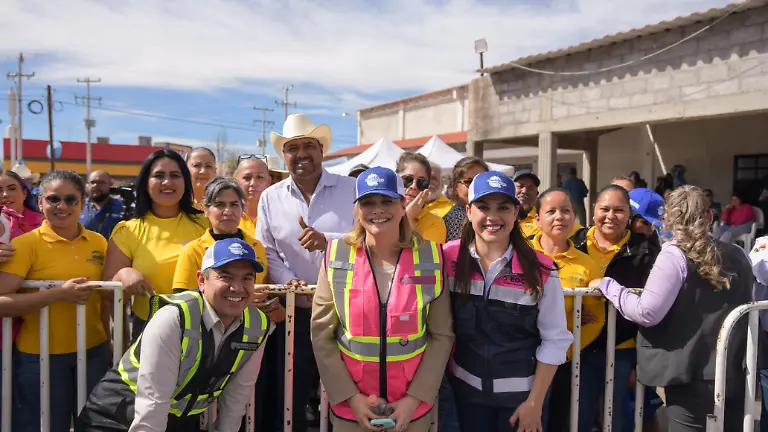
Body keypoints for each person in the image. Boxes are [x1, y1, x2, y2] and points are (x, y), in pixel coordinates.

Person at [596, 186, 755, 431]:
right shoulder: (739, 254)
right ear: (710, 217)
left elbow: (647, 312)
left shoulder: (673, 255)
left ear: (668, 219)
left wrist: (609, 287)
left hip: (688, 374)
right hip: (735, 372)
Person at [77, 238, 273, 432]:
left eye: (247, 278)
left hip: (177, 420)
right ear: (201, 281)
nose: (237, 288)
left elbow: (237, 398)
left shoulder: (258, 325)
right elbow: (152, 406)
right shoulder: (172, 318)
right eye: (226, 277)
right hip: (113, 418)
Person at [311, 167, 454, 432]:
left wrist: (414, 399)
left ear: (403, 205)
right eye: (368, 202)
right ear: (356, 210)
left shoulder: (431, 257)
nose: (378, 209)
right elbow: (322, 335)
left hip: (411, 410)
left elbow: (441, 335)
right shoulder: (336, 256)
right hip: (351, 410)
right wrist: (351, 397)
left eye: (387, 201)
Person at [445, 171, 572, 432]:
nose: (493, 216)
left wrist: (535, 404)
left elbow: (555, 339)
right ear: (468, 211)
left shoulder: (542, 269)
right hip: (464, 400)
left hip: (521, 404)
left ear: (516, 212)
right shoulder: (446, 258)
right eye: (483, 206)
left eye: (503, 207)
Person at [258, 113, 356, 432]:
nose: (301, 153)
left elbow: (367, 237)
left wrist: (327, 242)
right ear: (284, 155)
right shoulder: (270, 198)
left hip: (346, 312)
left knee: (343, 393)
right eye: (292, 147)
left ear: (322, 150)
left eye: (309, 146)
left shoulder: (351, 189)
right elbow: (267, 250)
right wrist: (290, 283)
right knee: (292, 394)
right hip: (293, 314)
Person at [0, 170, 110, 432]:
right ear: (40, 202)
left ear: (82, 202)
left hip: (92, 351)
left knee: (93, 426)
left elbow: (105, 300)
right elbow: (2, 301)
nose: (62, 206)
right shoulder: (25, 244)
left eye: (71, 199)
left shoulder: (98, 242)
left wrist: (107, 341)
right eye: (53, 199)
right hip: (39, 356)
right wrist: (58, 294)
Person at [570, 185, 660, 432]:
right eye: (605, 209)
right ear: (593, 210)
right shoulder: (573, 242)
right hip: (579, 348)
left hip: (623, 350)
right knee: (579, 416)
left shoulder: (647, 250)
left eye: (619, 210)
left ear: (629, 215)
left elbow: (652, 306)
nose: (611, 216)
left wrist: (638, 363)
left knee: (618, 418)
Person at [106, 149, 208, 344]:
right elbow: (107, 293)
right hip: (148, 329)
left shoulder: (207, 224)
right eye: (159, 176)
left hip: (202, 327)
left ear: (186, 182)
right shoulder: (127, 230)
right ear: (145, 183)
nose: (167, 182)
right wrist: (123, 274)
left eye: (175, 175)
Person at [529, 188, 604, 432]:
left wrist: (569, 341)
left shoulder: (587, 264)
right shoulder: (521, 255)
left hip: (564, 361)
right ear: (537, 219)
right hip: (521, 358)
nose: (559, 217)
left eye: (566, 211)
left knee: (557, 421)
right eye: (551, 211)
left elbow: (596, 319)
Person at [0, 169, 44, 428]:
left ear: (25, 192)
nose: (5, 195)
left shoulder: (43, 222)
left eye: (12, 188)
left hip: (32, 328)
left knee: (26, 403)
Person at [173, 177, 269, 291]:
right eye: (220, 205)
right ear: (206, 210)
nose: (228, 211)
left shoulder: (256, 247)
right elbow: (183, 297)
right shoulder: (193, 251)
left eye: (234, 204)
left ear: (242, 210)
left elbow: (269, 291)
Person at [395, 152, 446, 244]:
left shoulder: (434, 223)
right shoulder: (384, 213)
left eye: (421, 182)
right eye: (407, 180)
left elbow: (422, 255)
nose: (414, 186)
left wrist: (408, 217)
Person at [442, 157, 489, 243]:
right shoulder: (454, 219)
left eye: (482, 181)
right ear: (455, 187)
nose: (475, 187)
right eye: (469, 182)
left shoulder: (495, 216)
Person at [233, 155, 272, 237]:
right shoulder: (227, 216)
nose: (253, 183)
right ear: (236, 181)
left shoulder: (278, 216)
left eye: (260, 177)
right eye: (247, 178)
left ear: (269, 181)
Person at [80, 170, 125, 239]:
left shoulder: (122, 207)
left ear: (110, 184)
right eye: (92, 182)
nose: (95, 186)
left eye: (101, 183)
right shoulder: (78, 207)